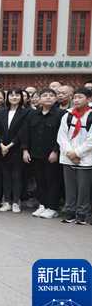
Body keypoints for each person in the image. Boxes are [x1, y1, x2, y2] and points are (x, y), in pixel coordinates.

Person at [23, 88, 62, 219]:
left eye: (51, 95)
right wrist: (25, 150)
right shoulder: (33, 115)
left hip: (51, 154)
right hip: (35, 153)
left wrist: (55, 151)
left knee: (52, 180)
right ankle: (43, 205)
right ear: (39, 99)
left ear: (56, 99)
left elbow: (61, 136)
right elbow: (26, 133)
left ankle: (52, 207)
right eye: (45, 95)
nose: (48, 98)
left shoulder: (60, 114)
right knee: (39, 180)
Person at [58, 87, 92, 225]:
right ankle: (69, 212)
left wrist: (77, 153)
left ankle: (82, 214)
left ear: (89, 99)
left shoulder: (90, 115)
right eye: (75, 97)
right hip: (68, 157)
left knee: (84, 188)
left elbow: (91, 139)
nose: (76, 100)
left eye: (80, 97)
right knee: (70, 187)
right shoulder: (68, 115)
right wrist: (70, 153)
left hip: (86, 158)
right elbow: (61, 136)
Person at [0, 88, 29, 213]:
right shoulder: (2, 112)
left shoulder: (26, 112)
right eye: (11, 95)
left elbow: (23, 131)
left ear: (21, 97)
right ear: (7, 98)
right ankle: (7, 201)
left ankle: (16, 202)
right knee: (5, 176)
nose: (14, 97)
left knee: (17, 176)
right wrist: (1, 144)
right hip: (2, 149)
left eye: (17, 95)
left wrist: (9, 146)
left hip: (16, 149)